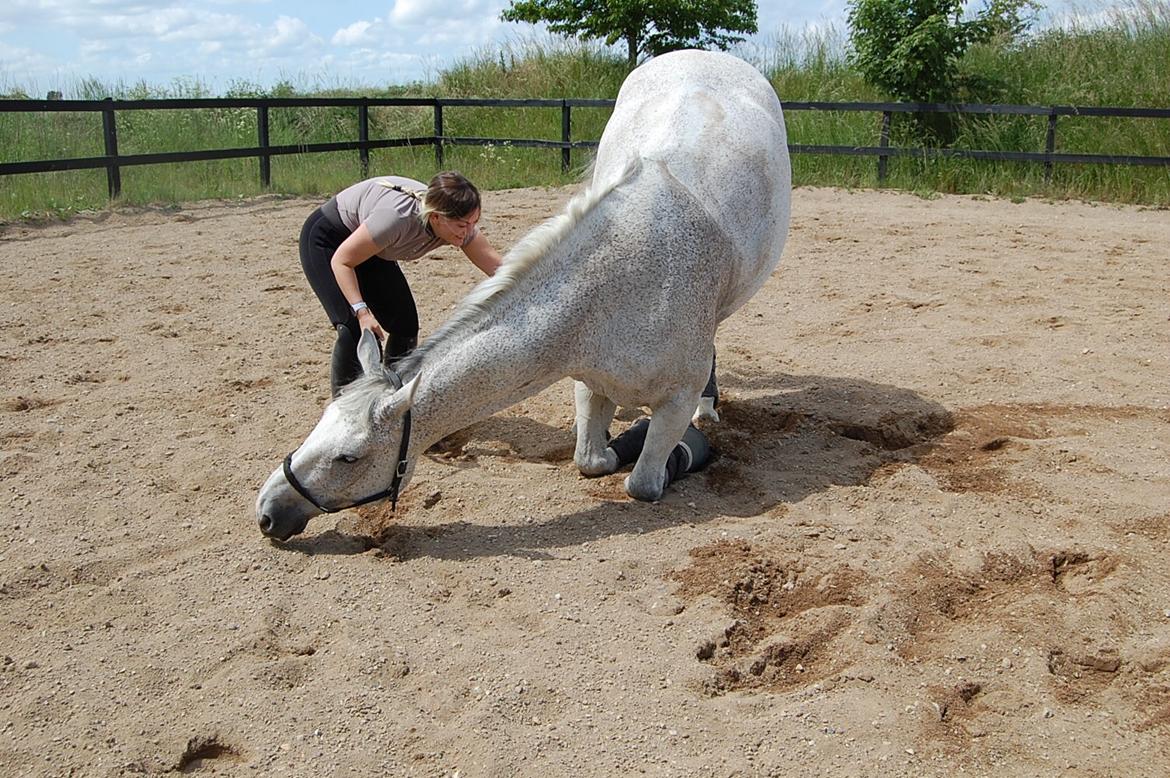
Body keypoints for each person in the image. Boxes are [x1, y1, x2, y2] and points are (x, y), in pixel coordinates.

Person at [298, 171, 503, 396]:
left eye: (474, 222)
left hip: (374, 248)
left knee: (404, 326)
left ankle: (392, 396)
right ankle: (344, 410)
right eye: (462, 225)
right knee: (355, 328)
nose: (468, 231)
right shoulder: (396, 219)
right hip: (329, 241)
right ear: (436, 217)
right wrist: (362, 312)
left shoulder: (460, 228)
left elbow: (499, 269)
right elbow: (342, 261)